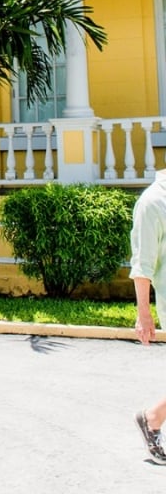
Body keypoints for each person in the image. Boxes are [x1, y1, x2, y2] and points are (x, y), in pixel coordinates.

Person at [130, 168, 166, 464]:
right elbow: (143, 264)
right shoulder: (152, 202)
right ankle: (152, 418)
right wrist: (144, 314)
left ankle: (152, 418)